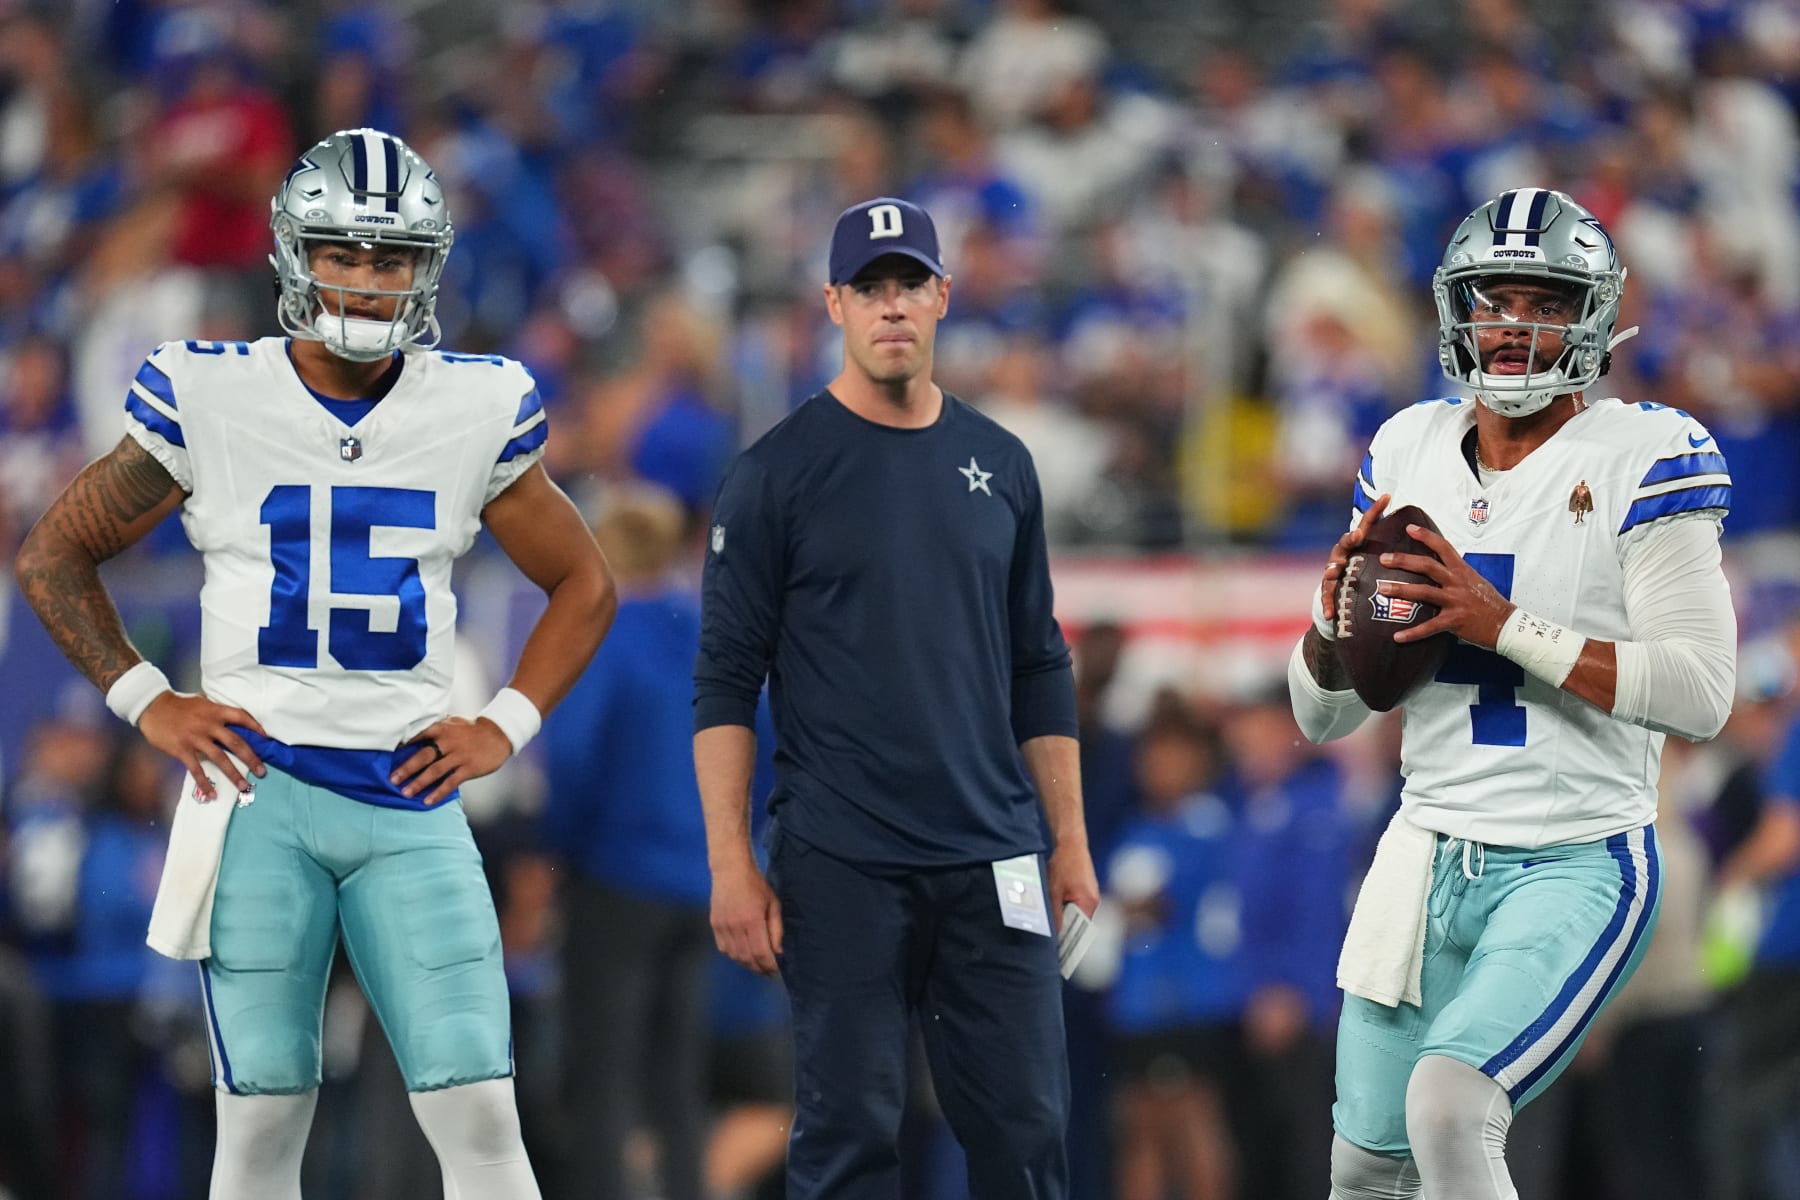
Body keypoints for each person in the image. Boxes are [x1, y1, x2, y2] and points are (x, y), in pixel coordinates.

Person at [12, 127, 616, 1199]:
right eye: (344, 252)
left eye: (391, 260)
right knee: (258, 1129)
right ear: (296, 253)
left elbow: (588, 583)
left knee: (481, 1113)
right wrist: (149, 702)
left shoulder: (472, 405)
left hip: (408, 796)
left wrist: (505, 723)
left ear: (426, 271)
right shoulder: (211, 391)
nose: (369, 282)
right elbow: (53, 551)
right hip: (262, 799)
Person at [1286, 187, 1737, 1200]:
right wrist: (1327, 628)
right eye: (1497, 300)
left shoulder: (1648, 455)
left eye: (1545, 301)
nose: (1515, 326)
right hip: (1424, 853)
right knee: (1362, 1172)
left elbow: (1703, 693)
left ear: (1593, 317)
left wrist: (1503, 626)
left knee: (1451, 1110)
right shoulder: (1405, 448)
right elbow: (1320, 716)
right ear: (1460, 308)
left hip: (1574, 859)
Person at [693, 195, 1100, 1200]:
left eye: (908, 284)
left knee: (1030, 1129)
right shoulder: (774, 475)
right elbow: (724, 686)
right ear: (833, 303)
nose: (891, 306)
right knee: (849, 1135)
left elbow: (1039, 663)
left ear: (942, 297)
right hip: (843, 858)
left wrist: (1070, 841)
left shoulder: (1001, 465)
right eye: (869, 288)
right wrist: (731, 864)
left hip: (992, 852)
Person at [539, 482, 713, 1200]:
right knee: (680, 1076)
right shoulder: (709, 632)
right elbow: (766, 744)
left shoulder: (602, 631)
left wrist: (559, 849)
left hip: (616, 874)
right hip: (704, 881)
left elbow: (573, 752)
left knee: (606, 1071)